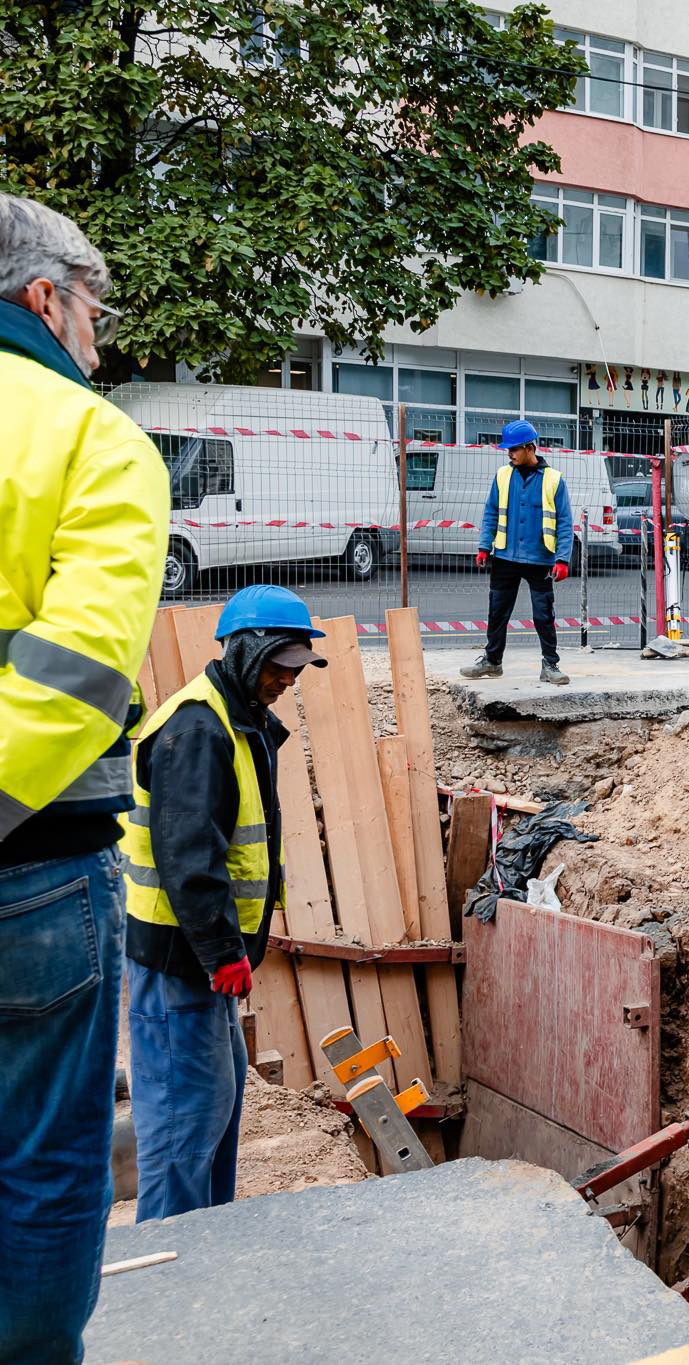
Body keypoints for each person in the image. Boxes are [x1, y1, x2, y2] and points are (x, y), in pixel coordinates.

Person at [0, 193, 169, 1365]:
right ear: (42, 299)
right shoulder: (90, 438)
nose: (100, 335)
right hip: (36, 871)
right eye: (94, 307)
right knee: (47, 1161)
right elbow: (70, 683)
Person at [121, 586, 325, 1219]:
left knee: (217, 1105)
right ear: (244, 653)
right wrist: (220, 951)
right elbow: (189, 858)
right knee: (184, 1126)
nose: (285, 682)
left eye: (294, 670)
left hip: (203, 962)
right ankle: (173, 1261)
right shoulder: (198, 729)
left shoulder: (235, 722)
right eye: (277, 667)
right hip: (180, 960)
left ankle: (213, 1243)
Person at [460, 419, 573, 686]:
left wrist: (563, 559)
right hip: (505, 557)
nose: (509, 454)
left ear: (529, 448)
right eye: (508, 449)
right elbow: (490, 513)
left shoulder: (554, 480)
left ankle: (550, 664)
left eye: (514, 449)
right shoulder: (502, 475)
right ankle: (492, 661)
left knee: (543, 615)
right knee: (497, 611)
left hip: (539, 558)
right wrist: (484, 546)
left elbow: (565, 522)